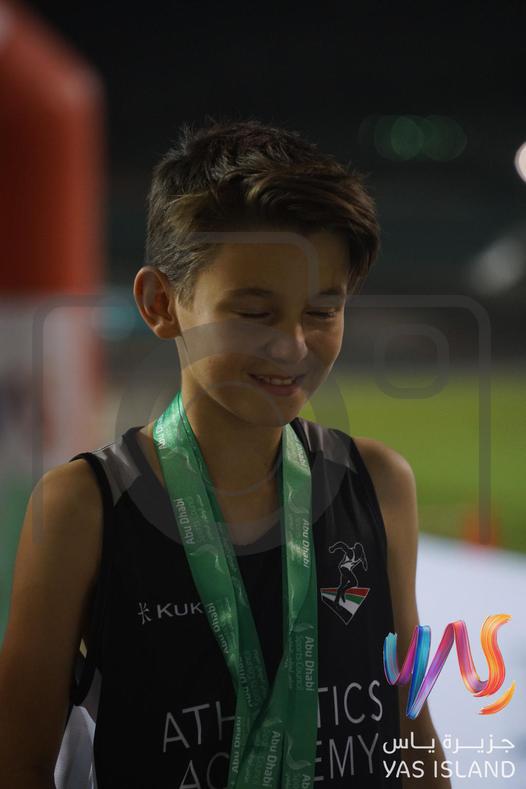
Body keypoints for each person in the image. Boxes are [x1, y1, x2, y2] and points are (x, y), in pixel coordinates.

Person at [0, 116, 450, 788]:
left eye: (322, 311)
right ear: (161, 303)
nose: (293, 345)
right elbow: (19, 762)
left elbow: (409, 722)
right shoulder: (83, 508)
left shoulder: (378, 482)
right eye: (253, 312)